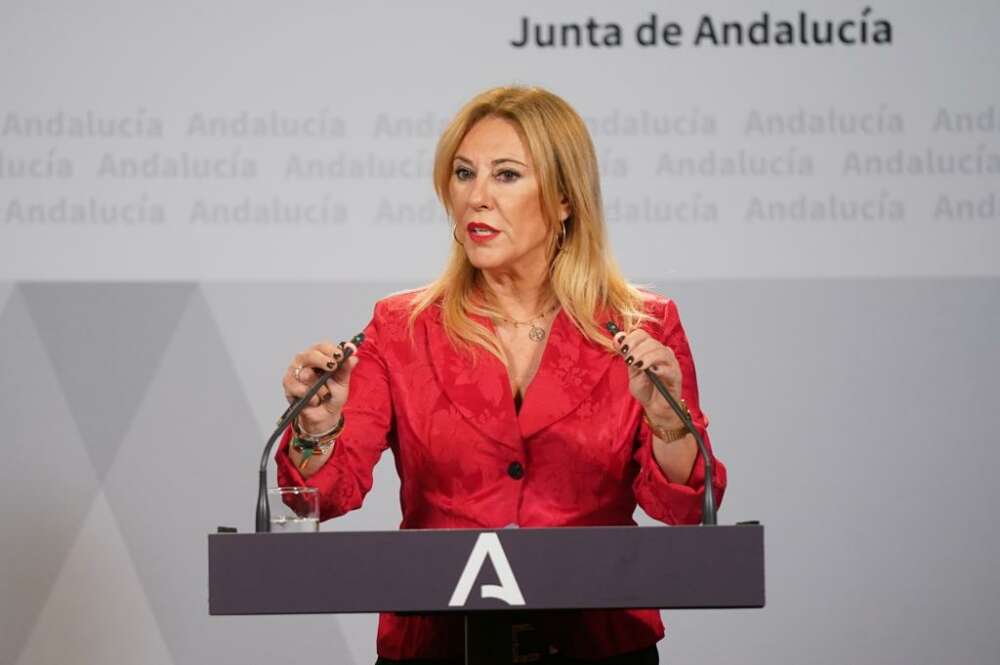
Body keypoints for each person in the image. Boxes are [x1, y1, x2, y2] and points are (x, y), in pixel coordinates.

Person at [278, 85, 727, 664]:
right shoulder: (400, 327)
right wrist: (317, 427)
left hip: (598, 644)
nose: (476, 198)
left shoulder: (642, 327)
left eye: (506, 175)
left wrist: (668, 421)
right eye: (464, 174)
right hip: (438, 645)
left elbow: (686, 509)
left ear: (565, 199)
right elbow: (321, 494)